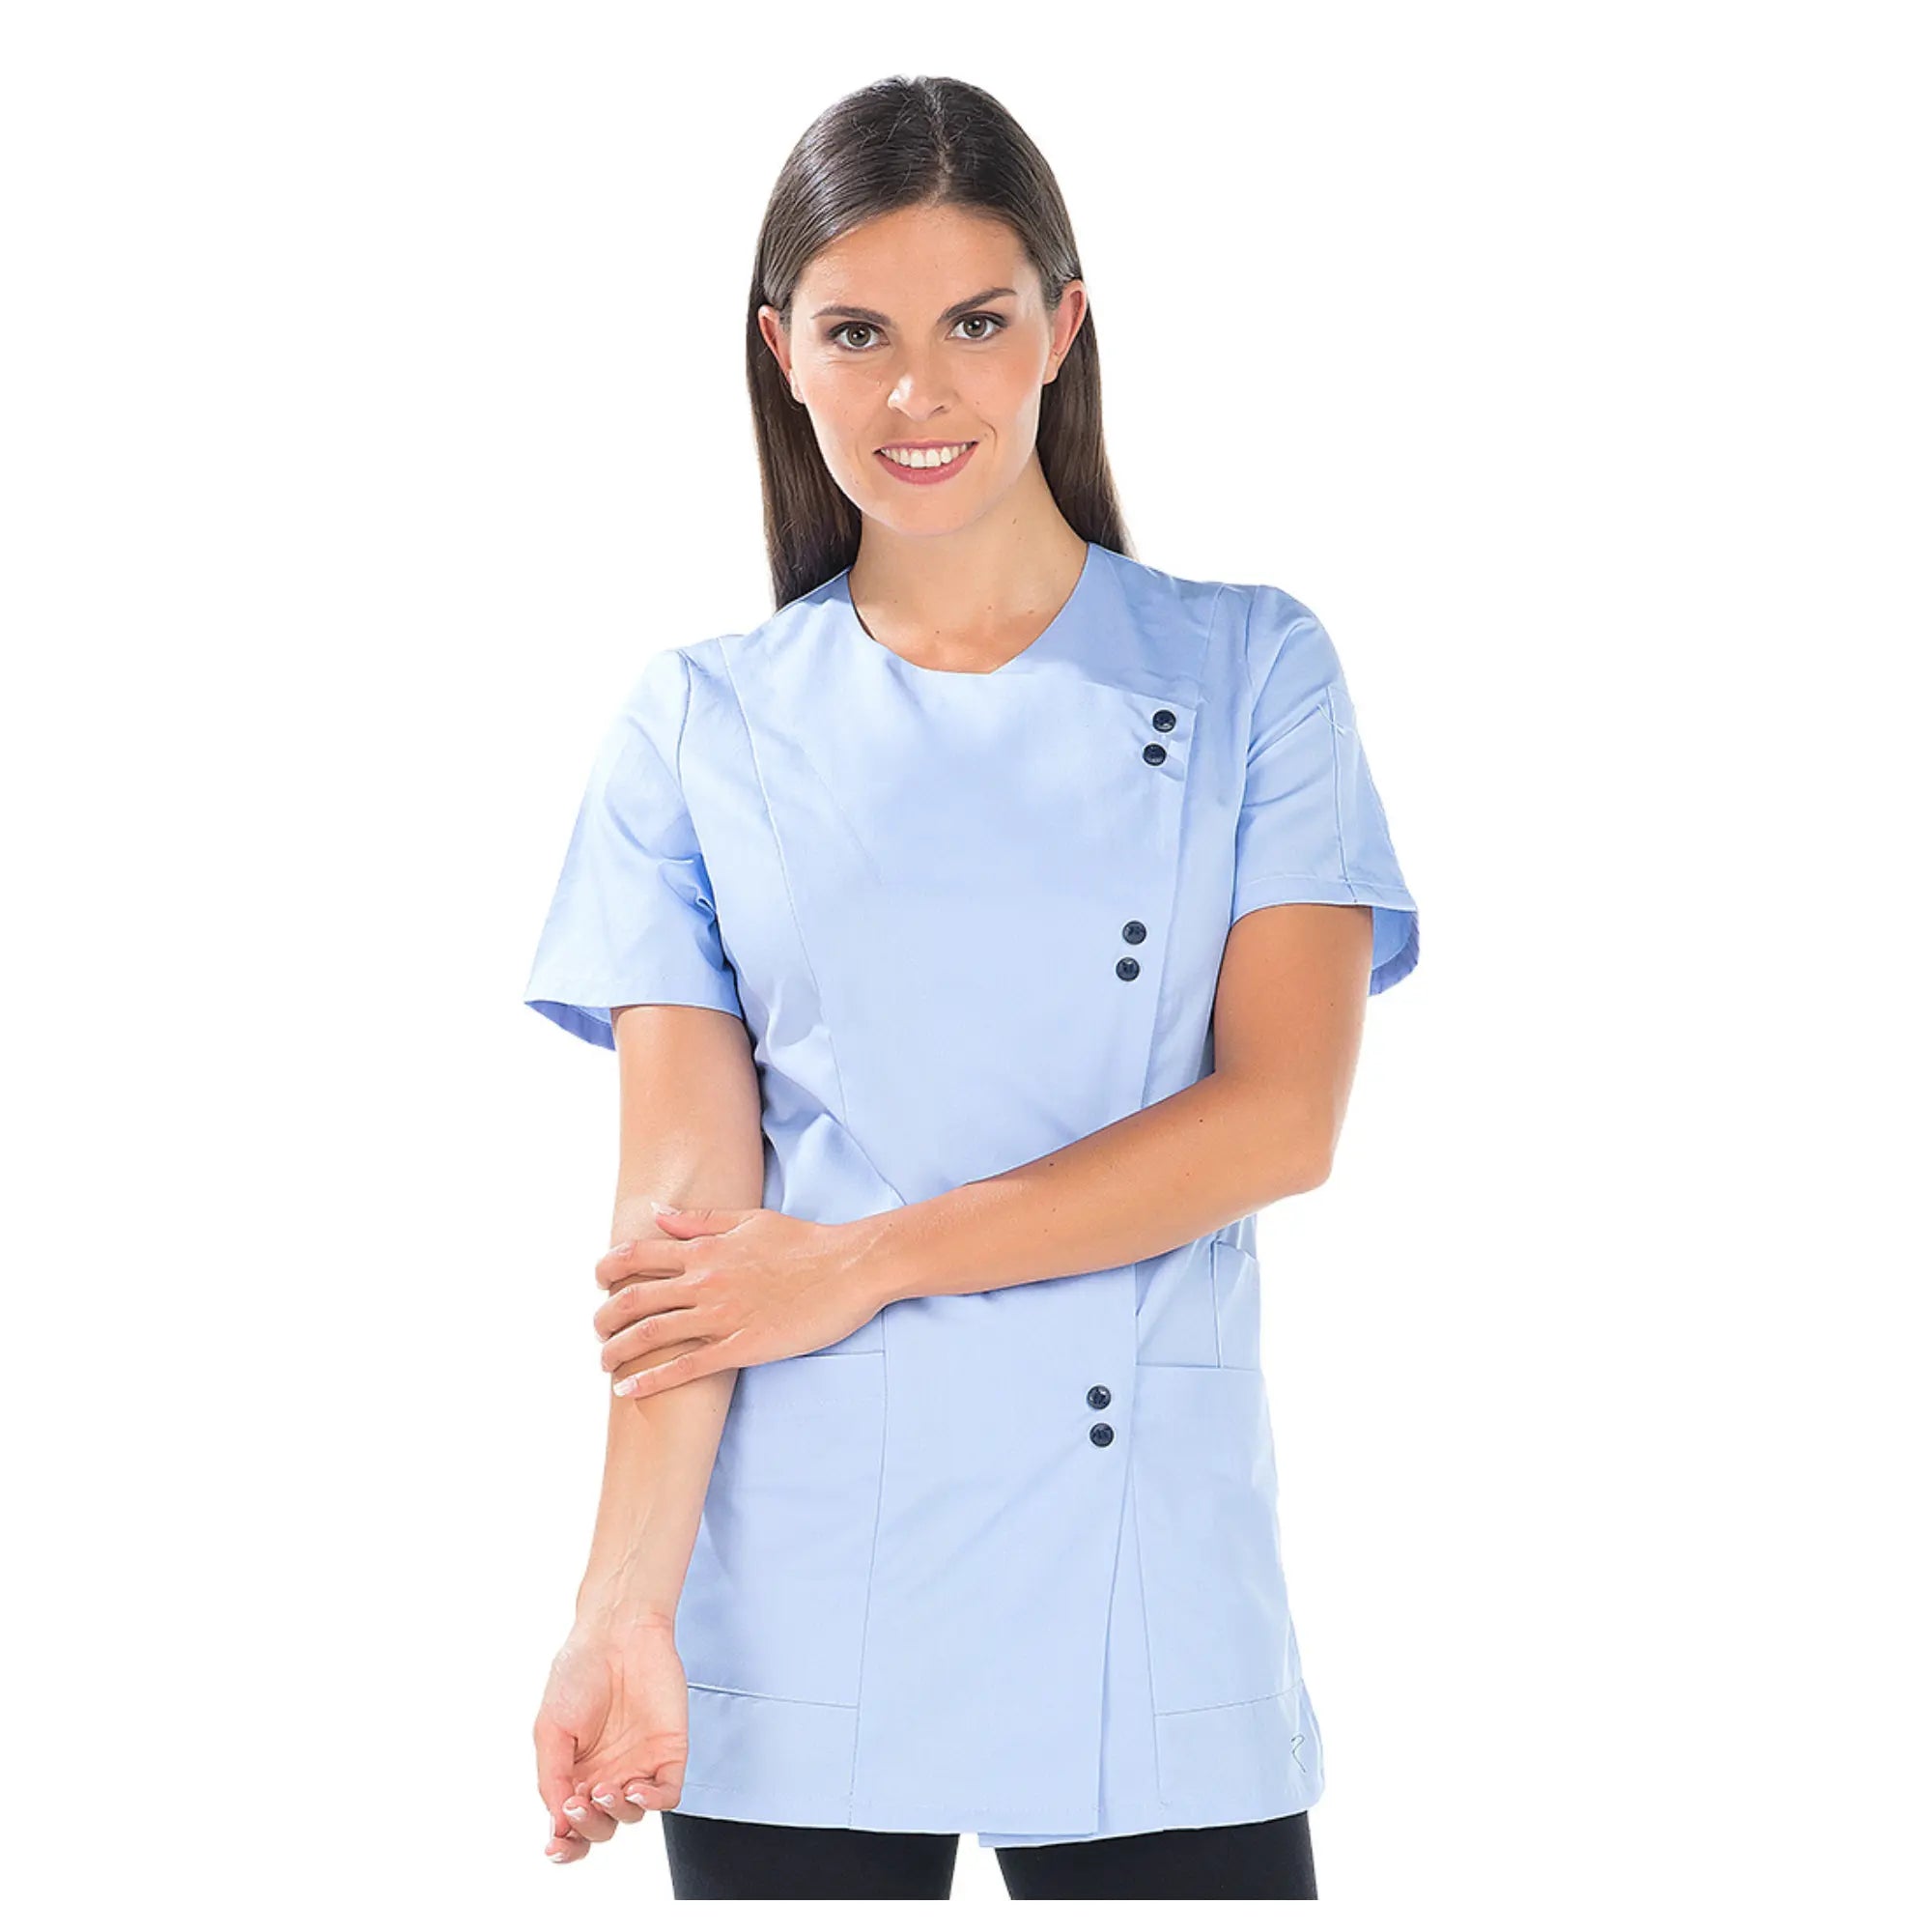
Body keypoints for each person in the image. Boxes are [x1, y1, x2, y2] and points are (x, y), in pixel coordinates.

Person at [521, 73, 1420, 1902]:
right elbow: (685, 1223)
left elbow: (1278, 1119)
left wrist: (857, 1261)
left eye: (976, 324)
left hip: (1143, 1578)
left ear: (1062, 332)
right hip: (798, 1579)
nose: (917, 393)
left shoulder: (1254, 673)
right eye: (858, 332)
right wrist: (619, 1607)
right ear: (782, 352)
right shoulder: (700, 722)